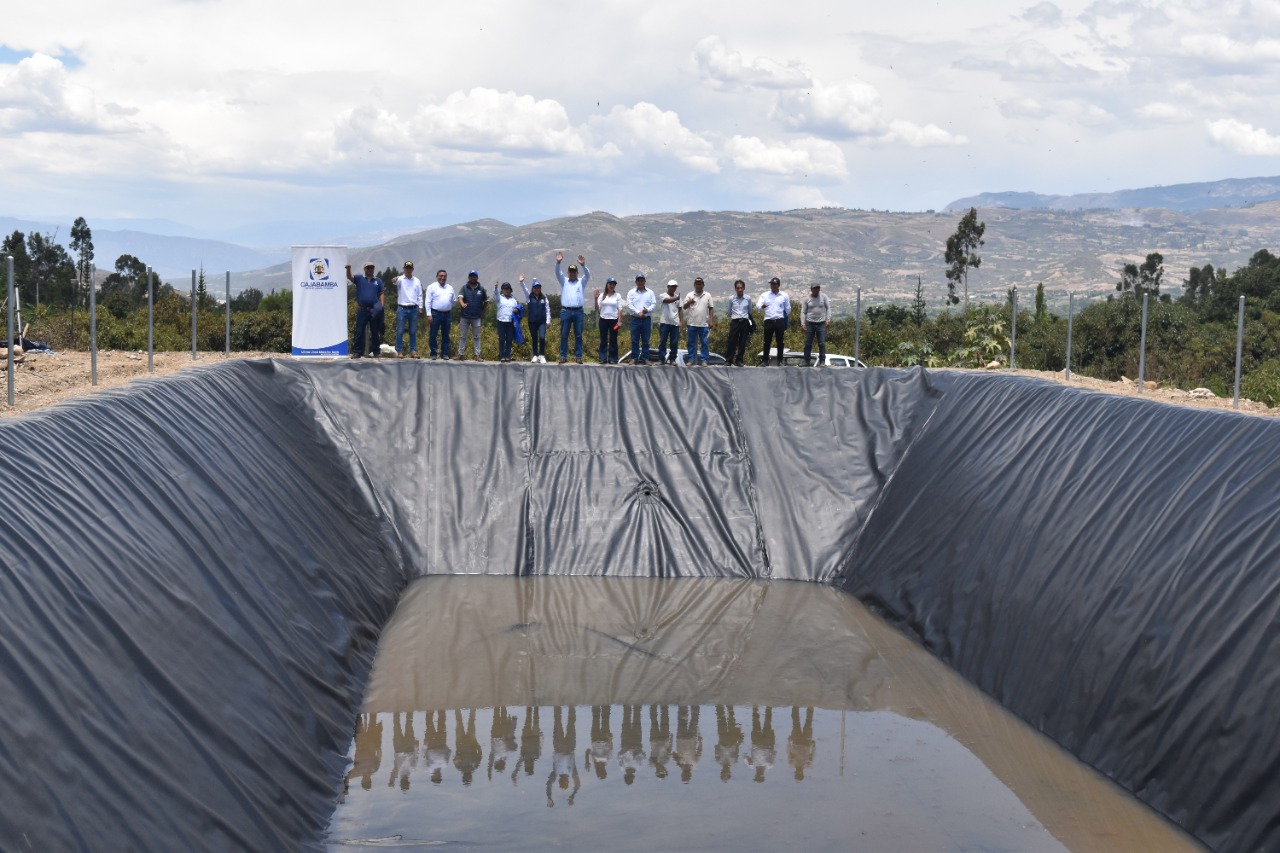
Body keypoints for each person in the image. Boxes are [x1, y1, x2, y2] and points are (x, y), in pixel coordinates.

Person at [555, 251, 590, 364]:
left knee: (578, 335)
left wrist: (583, 265)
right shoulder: (564, 281)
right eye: (571, 272)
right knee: (564, 335)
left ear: (577, 273)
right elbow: (557, 273)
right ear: (568, 273)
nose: (573, 273)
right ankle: (563, 356)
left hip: (578, 311)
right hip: (566, 311)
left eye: (574, 272)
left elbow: (588, 275)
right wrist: (558, 262)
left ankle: (578, 357)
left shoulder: (581, 282)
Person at [345, 262, 384, 358]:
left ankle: (376, 352)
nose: (370, 270)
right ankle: (357, 352)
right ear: (364, 269)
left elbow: (382, 293)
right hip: (362, 309)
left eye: (371, 268)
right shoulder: (359, 278)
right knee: (359, 332)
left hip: (374, 310)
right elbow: (350, 277)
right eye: (368, 268)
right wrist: (348, 269)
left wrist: (382, 305)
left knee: (375, 332)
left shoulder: (378, 281)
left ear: (373, 269)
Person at [392, 261, 424, 358]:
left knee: (413, 331)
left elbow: (420, 295)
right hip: (402, 308)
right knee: (400, 330)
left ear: (412, 269)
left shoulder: (417, 281)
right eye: (407, 268)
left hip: (414, 308)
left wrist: (421, 307)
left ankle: (413, 351)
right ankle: (399, 351)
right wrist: (394, 279)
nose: (408, 270)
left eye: (410, 268)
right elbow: (394, 281)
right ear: (404, 269)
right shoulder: (400, 279)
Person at [757, 277, 791, 365]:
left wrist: (783, 315)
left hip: (779, 320)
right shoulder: (765, 295)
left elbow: (788, 309)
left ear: (778, 285)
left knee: (780, 341)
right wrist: (762, 306)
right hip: (768, 320)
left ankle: (780, 360)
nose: (773, 286)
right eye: (772, 284)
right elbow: (757, 305)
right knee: (767, 341)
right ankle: (765, 360)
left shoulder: (784, 295)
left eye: (775, 284)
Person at [682, 277, 715, 365]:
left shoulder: (707, 295)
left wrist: (711, 321)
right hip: (692, 323)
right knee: (691, 343)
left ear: (703, 285)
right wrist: (689, 302)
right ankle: (691, 360)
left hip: (704, 324)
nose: (698, 285)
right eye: (697, 284)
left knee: (704, 343)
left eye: (700, 284)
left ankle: (704, 360)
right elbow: (684, 307)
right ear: (694, 285)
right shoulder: (690, 295)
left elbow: (711, 308)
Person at [457, 270, 489, 361]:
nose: (473, 278)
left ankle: (477, 355)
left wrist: (483, 311)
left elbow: (486, 301)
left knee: (477, 337)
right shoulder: (464, 288)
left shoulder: (481, 289)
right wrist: (462, 304)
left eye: (474, 276)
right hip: (465, 316)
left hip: (476, 317)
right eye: (471, 276)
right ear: (468, 277)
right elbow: (460, 297)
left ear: (477, 278)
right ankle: (460, 354)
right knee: (463, 336)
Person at [425, 269, 455, 360]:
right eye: (441, 276)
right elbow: (428, 301)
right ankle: (433, 353)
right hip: (435, 313)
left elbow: (453, 301)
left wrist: (447, 307)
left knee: (446, 334)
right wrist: (429, 314)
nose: (443, 278)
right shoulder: (431, 287)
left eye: (444, 276)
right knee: (433, 334)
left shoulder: (450, 288)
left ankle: (444, 353)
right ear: (437, 277)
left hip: (447, 314)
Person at [626, 274, 656, 364]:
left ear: (644, 281)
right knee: (635, 339)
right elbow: (629, 304)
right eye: (638, 281)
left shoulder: (650, 292)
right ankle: (634, 358)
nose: (640, 282)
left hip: (646, 319)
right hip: (635, 319)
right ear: (636, 282)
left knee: (646, 340)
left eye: (642, 280)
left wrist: (647, 310)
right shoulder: (631, 292)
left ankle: (645, 358)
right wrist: (638, 312)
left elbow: (654, 304)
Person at [520, 275, 549, 363]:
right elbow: (525, 290)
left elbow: (548, 310)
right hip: (532, 321)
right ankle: (535, 355)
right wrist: (521, 282)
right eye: (535, 288)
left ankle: (542, 355)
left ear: (540, 289)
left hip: (542, 322)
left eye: (538, 288)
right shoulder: (529, 298)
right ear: (533, 289)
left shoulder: (544, 299)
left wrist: (548, 321)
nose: (536, 289)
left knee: (542, 337)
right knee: (534, 338)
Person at [800, 283, 831, 366]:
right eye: (814, 288)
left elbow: (828, 308)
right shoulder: (807, 299)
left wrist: (828, 320)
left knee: (821, 343)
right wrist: (803, 323)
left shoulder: (824, 297)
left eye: (818, 288)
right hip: (810, 324)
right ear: (811, 289)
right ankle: (806, 360)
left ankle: (822, 361)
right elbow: (803, 311)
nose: (816, 290)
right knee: (808, 343)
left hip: (821, 324)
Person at [724, 279, 752, 366]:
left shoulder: (748, 298)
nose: (739, 289)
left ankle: (739, 360)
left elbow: (750, 311)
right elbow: (729, 311)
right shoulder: (731, 299)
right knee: (732, 341)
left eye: (741, 288)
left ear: (744, 288)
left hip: (744, 321)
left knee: (742, 342)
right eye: (738, 288)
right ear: (735, 289)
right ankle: (729, 360)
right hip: (735, 321)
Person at [594, 277, 622, 364]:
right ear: (607, 285)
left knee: (613, 339)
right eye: (610, 284)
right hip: (603, 320)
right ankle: (602, 358)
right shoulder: (602, 296)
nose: (611, 286)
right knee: (603, 339)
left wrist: (619, 321)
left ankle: (613, 358)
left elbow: (620, 309)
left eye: (613, 284)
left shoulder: (617, 295)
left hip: (614, 320)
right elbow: (597, 309)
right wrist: (595, 299)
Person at [656, 279, 683, 364]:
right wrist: (676, 298)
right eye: (672, 287)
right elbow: (666, 300)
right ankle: (661, 358)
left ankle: (672, 359)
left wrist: (681, 322)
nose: (673, 288)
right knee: (663, 341)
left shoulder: (678, 297)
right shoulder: (663, 295)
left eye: (675, 287)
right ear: (668, 287)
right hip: (664, 322)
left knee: (674, 342)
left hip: (675, 323)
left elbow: (680, 309)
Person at [496, 282, 520, 362]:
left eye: (508, 289)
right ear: (502, 290)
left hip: (510, 322)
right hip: (501, 321)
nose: (506, 290)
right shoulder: (499, 297)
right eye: (504, 289)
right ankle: (502, 356)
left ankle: (508, 355)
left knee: (509, 339)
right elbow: (495, 294)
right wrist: (496, 288)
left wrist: (517, 310)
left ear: (510, 290)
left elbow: (518, 308)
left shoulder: (513, 300)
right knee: (502, 339)